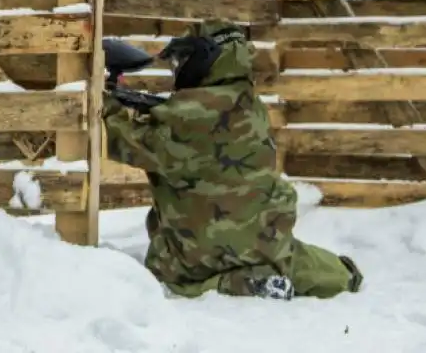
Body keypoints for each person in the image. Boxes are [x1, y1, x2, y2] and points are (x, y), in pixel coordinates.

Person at [103, 19, 362, 301]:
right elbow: (203, 129)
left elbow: (123, 141)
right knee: (322, 270)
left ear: (206, 59)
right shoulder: (251, 106)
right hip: (266, 242)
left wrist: (108, 104)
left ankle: (235, 283)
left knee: (175, 279)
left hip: (196, 253)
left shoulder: (179, 119)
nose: (178, 67)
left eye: (183, 59)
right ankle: (340, 276)